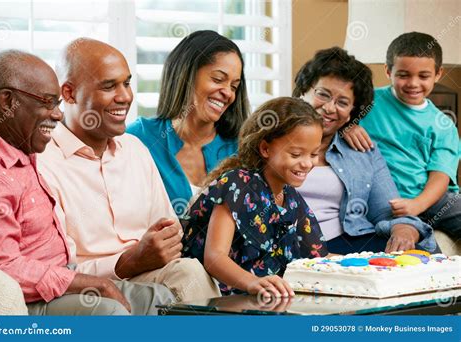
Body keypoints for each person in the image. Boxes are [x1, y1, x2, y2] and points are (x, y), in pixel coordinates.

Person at [0, 49, 174, 315]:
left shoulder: (25, 150)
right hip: (32, 299)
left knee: (162, 300)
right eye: (47, 102)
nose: (58, 115)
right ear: (7, 102)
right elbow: (1, 270)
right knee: (112, 313)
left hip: (63, 280)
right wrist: (91, 284)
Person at [37, 38, 220, 303]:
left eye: (126, 83)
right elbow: (55, 270)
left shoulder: (134, 149)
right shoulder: (42, 162)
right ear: (68, 93)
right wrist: (125, 262)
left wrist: (159, 248)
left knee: (189, 272)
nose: (125, 97)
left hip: (152, 276)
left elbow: (170, 233)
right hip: (87, 291)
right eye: (109, 86)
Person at [293, 47, 436, 254]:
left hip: (347, 241)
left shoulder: (361, 150)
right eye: (323, 94)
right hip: (289, 243)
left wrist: (404, 229)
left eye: (343, 103)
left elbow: (387, 211)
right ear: (302, 92)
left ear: (351, 113)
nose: (330, 108)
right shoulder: (272, 138)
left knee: (422, 259)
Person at [181, 97, 328, 297]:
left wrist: (372, 265)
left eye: (313, 154)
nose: (307, 164)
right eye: (295, 154)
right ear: (265, 148)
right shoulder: (237, 185)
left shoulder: (291, 198)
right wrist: (253, 283)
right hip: (219, 299)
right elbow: (214, 258)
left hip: (267, 300)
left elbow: (318, 258)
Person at [342, 32, 460, 241]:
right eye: (403, 75)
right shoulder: (368, 101)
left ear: (438, 74)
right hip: (386, 200)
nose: (413, 83)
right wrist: (347, 127)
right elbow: (332, 117)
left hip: (433, 199)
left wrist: (418, 205)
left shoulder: (443, 125)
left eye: (423, 76)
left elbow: (440, 176)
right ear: (388, 71)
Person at [127, 30, 250, 215]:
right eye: (218, 79)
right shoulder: (139, 138)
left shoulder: (242, 148)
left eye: (234, 86)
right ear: (186, 74)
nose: (228, 93)